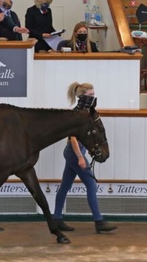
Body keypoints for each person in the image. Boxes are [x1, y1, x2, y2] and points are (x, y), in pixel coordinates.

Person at [53, 82, 117, 234]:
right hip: (75, 152)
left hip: (73, 153)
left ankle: (56, 219)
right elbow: (73, 138)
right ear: (82, 96)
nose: (93, 97)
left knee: (65, 186)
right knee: (91, 184)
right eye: (90, 95)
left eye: (93, 94)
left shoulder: (86, 112)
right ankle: (99, 221)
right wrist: (80, 157)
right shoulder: (77, 114)